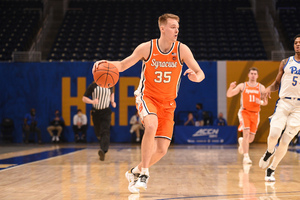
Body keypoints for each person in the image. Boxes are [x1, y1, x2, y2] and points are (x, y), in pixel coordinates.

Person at [92, 13, 205, 193]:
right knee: (151, 124)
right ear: (162, 28)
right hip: (147, 97)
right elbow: (121, 66)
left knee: (161, 150)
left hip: (168, 103)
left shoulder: (182, 50)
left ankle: (133, 171)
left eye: (178, 27)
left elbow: (201, 73)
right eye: (173, 27)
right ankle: (144, 173)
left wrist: (195, 77)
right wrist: (103, 63)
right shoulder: (147, 48)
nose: (177, 30)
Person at [259, 34, 300, 182]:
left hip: (299, 108)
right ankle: (269, 152)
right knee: (274, 134)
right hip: (284, 102)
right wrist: (269, 88)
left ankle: (271, 169)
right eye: (296, 42)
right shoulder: (285, 62)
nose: (297, 45)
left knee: (286, 140)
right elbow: (277, 83)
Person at [227, 67, 267, 164]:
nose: (253, 75)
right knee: (246, 132)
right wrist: (231, 87)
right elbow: (229, 95)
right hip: (245, 112)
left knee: (250, 139)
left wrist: (260, 101)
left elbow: (265, 102)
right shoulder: (243, 86)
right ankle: (246, 157)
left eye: (255, 74)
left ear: (257, 76)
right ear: (248, 75)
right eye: (251, 73)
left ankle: (242, 142)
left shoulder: (261, 87)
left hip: (256, 113)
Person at [82, 82, 116, 161]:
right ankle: (102, 146)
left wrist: (112, 102)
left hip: (106, 111)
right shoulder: (92, 86)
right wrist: (92, 101)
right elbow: (84, 98)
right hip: (96, 112)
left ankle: (103, 150)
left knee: (105, 131)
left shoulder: (109, 85)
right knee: (98, 132)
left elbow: (112, 93)